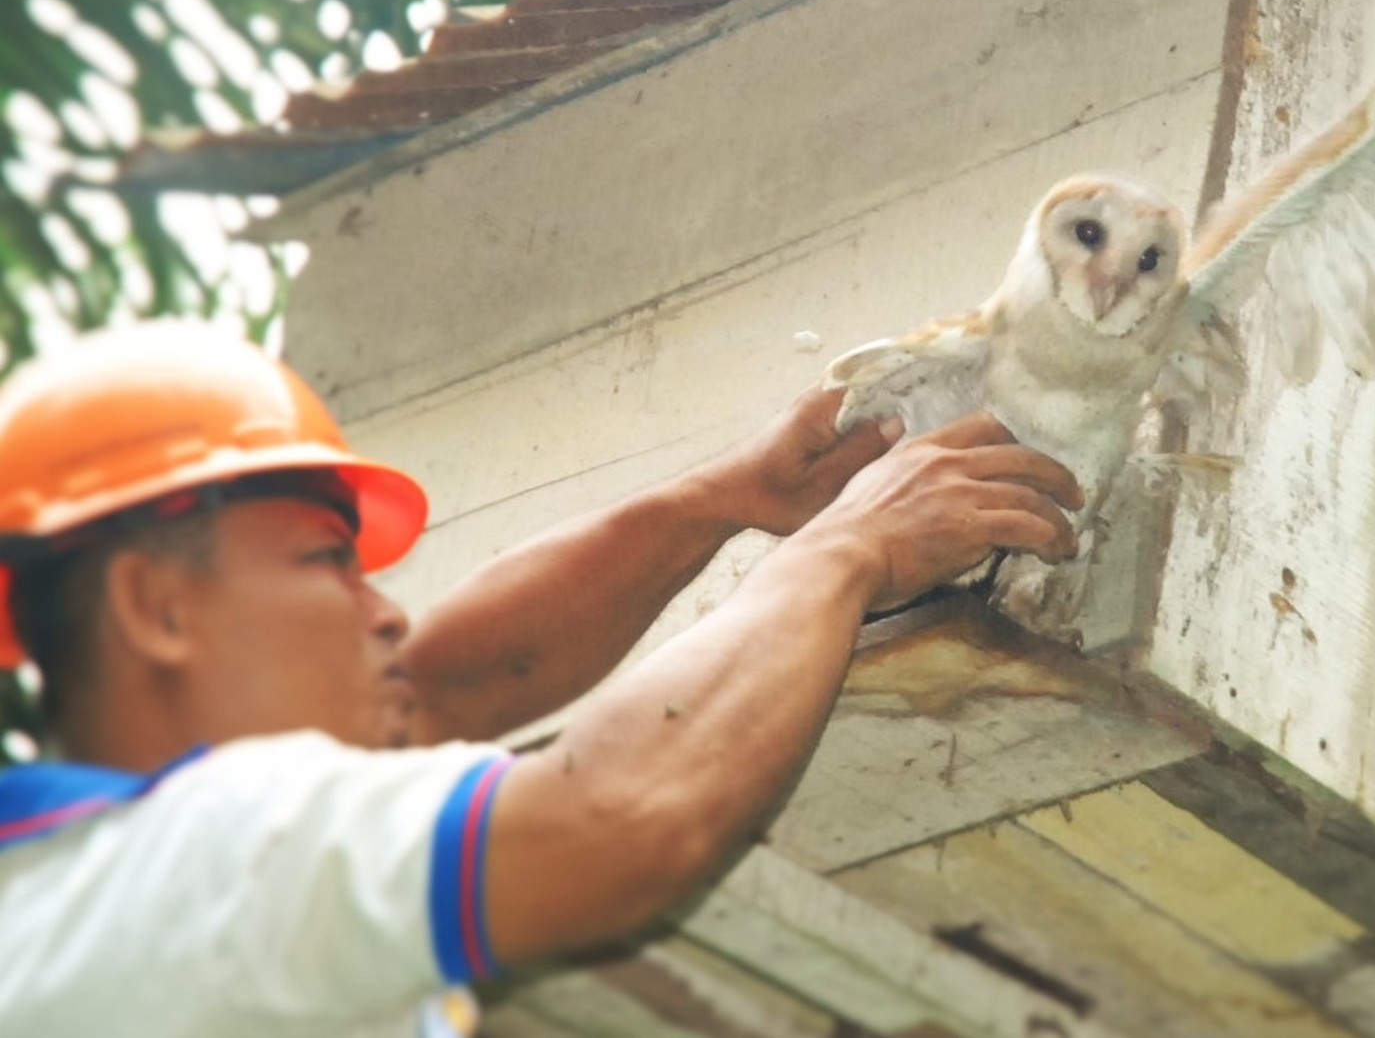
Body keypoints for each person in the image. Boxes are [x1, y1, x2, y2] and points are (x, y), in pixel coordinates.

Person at [0, 320, 1081, 1036]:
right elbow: (613, 819)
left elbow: (436, 694)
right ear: (154, 605)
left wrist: (720, 501)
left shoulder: (85, 892)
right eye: (326, 561)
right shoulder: (205, 865)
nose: (383, 610)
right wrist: (846, 551)